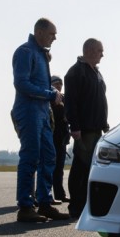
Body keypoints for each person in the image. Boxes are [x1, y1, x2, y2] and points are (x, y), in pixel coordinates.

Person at [11, 18, 71, 223]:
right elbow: (21, 83)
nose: (54, 38)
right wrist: (49, 93)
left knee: (49, 155)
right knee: (31, 156)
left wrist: (52, 92)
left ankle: (45, 203)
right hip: (28, 112)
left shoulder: (42, 54)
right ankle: (25, 206)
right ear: (39, 31)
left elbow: (38, 84)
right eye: (52, 34)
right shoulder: (25, 52)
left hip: (44, 113)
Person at [65, 38, 109, 219]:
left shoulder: (96, 73)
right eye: (100, 50)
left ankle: (87, 205)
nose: (102, 54)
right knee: (80, 168)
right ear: (90, 50)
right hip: (84, 130)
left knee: (93, 169)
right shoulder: (76, 73)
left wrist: (105, 124)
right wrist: (75, 127)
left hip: (96, 129)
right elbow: (71, 102)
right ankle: (76, 206)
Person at [49, 75, 70, 203]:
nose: (59, 86)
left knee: (59, 168)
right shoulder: (50, 98)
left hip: (62, 137)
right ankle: (46, 194)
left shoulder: (64, 98)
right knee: (49, 167)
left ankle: (60, 193)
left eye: (60, 84)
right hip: (51, 136)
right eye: (56, 83)